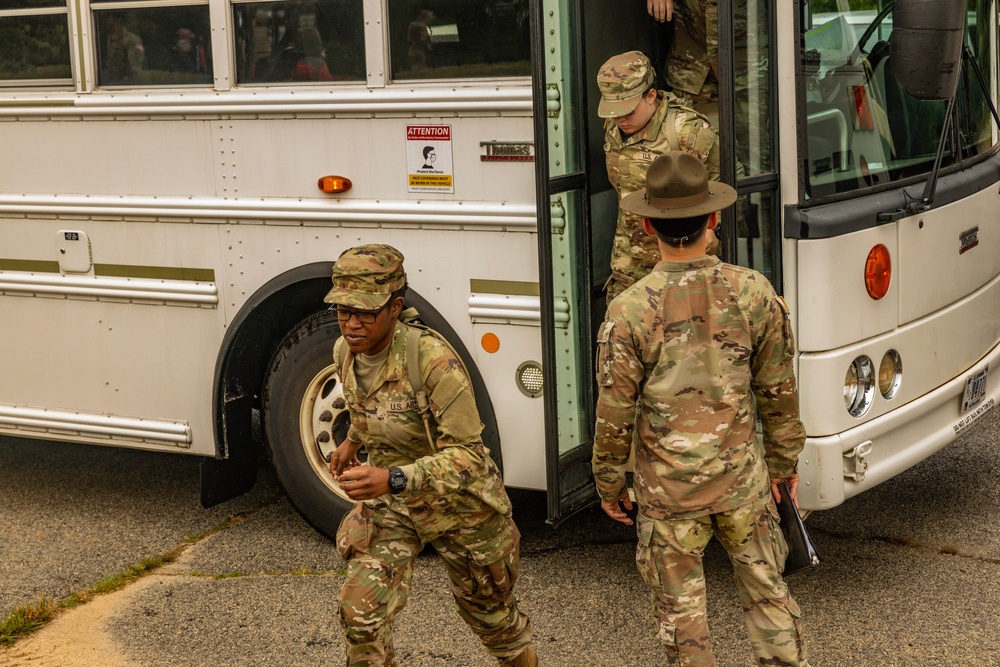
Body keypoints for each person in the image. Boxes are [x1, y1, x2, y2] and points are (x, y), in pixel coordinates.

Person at [592, 152, 811, 666]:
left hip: (669, 497)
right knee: (768, 598)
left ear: (648, 226)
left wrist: (609, 485)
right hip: (743, 484)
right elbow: (779, 393)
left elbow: (615, 412)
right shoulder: (753, 292)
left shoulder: (628, 310)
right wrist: (783, 467)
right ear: (714, 219)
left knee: (683, 621)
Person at [325, 244, 537, 667]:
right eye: (342, 310)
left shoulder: (432, 360)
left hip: (459, 504)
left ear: (395, 306)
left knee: (493, 619)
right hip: (395, 506)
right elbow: (366, 406)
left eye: (364, 312)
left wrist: (393, 478)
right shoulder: (344, 353)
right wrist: (352, 439)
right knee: (360, 617)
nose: (351, 323)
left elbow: (470, 457)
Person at [598, 50, 720, 303]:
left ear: (651, 96)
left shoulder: (688, 131)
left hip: (679, 262)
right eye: (613, 111)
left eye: (628, 110)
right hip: (628, 262)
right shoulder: (614, 128)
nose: (620, 119)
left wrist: (713, 233)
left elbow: (720, 188)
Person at [103, 13, 145, 85]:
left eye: (109, 17)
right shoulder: (109, 38)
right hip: (112, 81)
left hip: (127, 83)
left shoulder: (132, 39)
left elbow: (135, 65)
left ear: (119, 20)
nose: (106, 20)